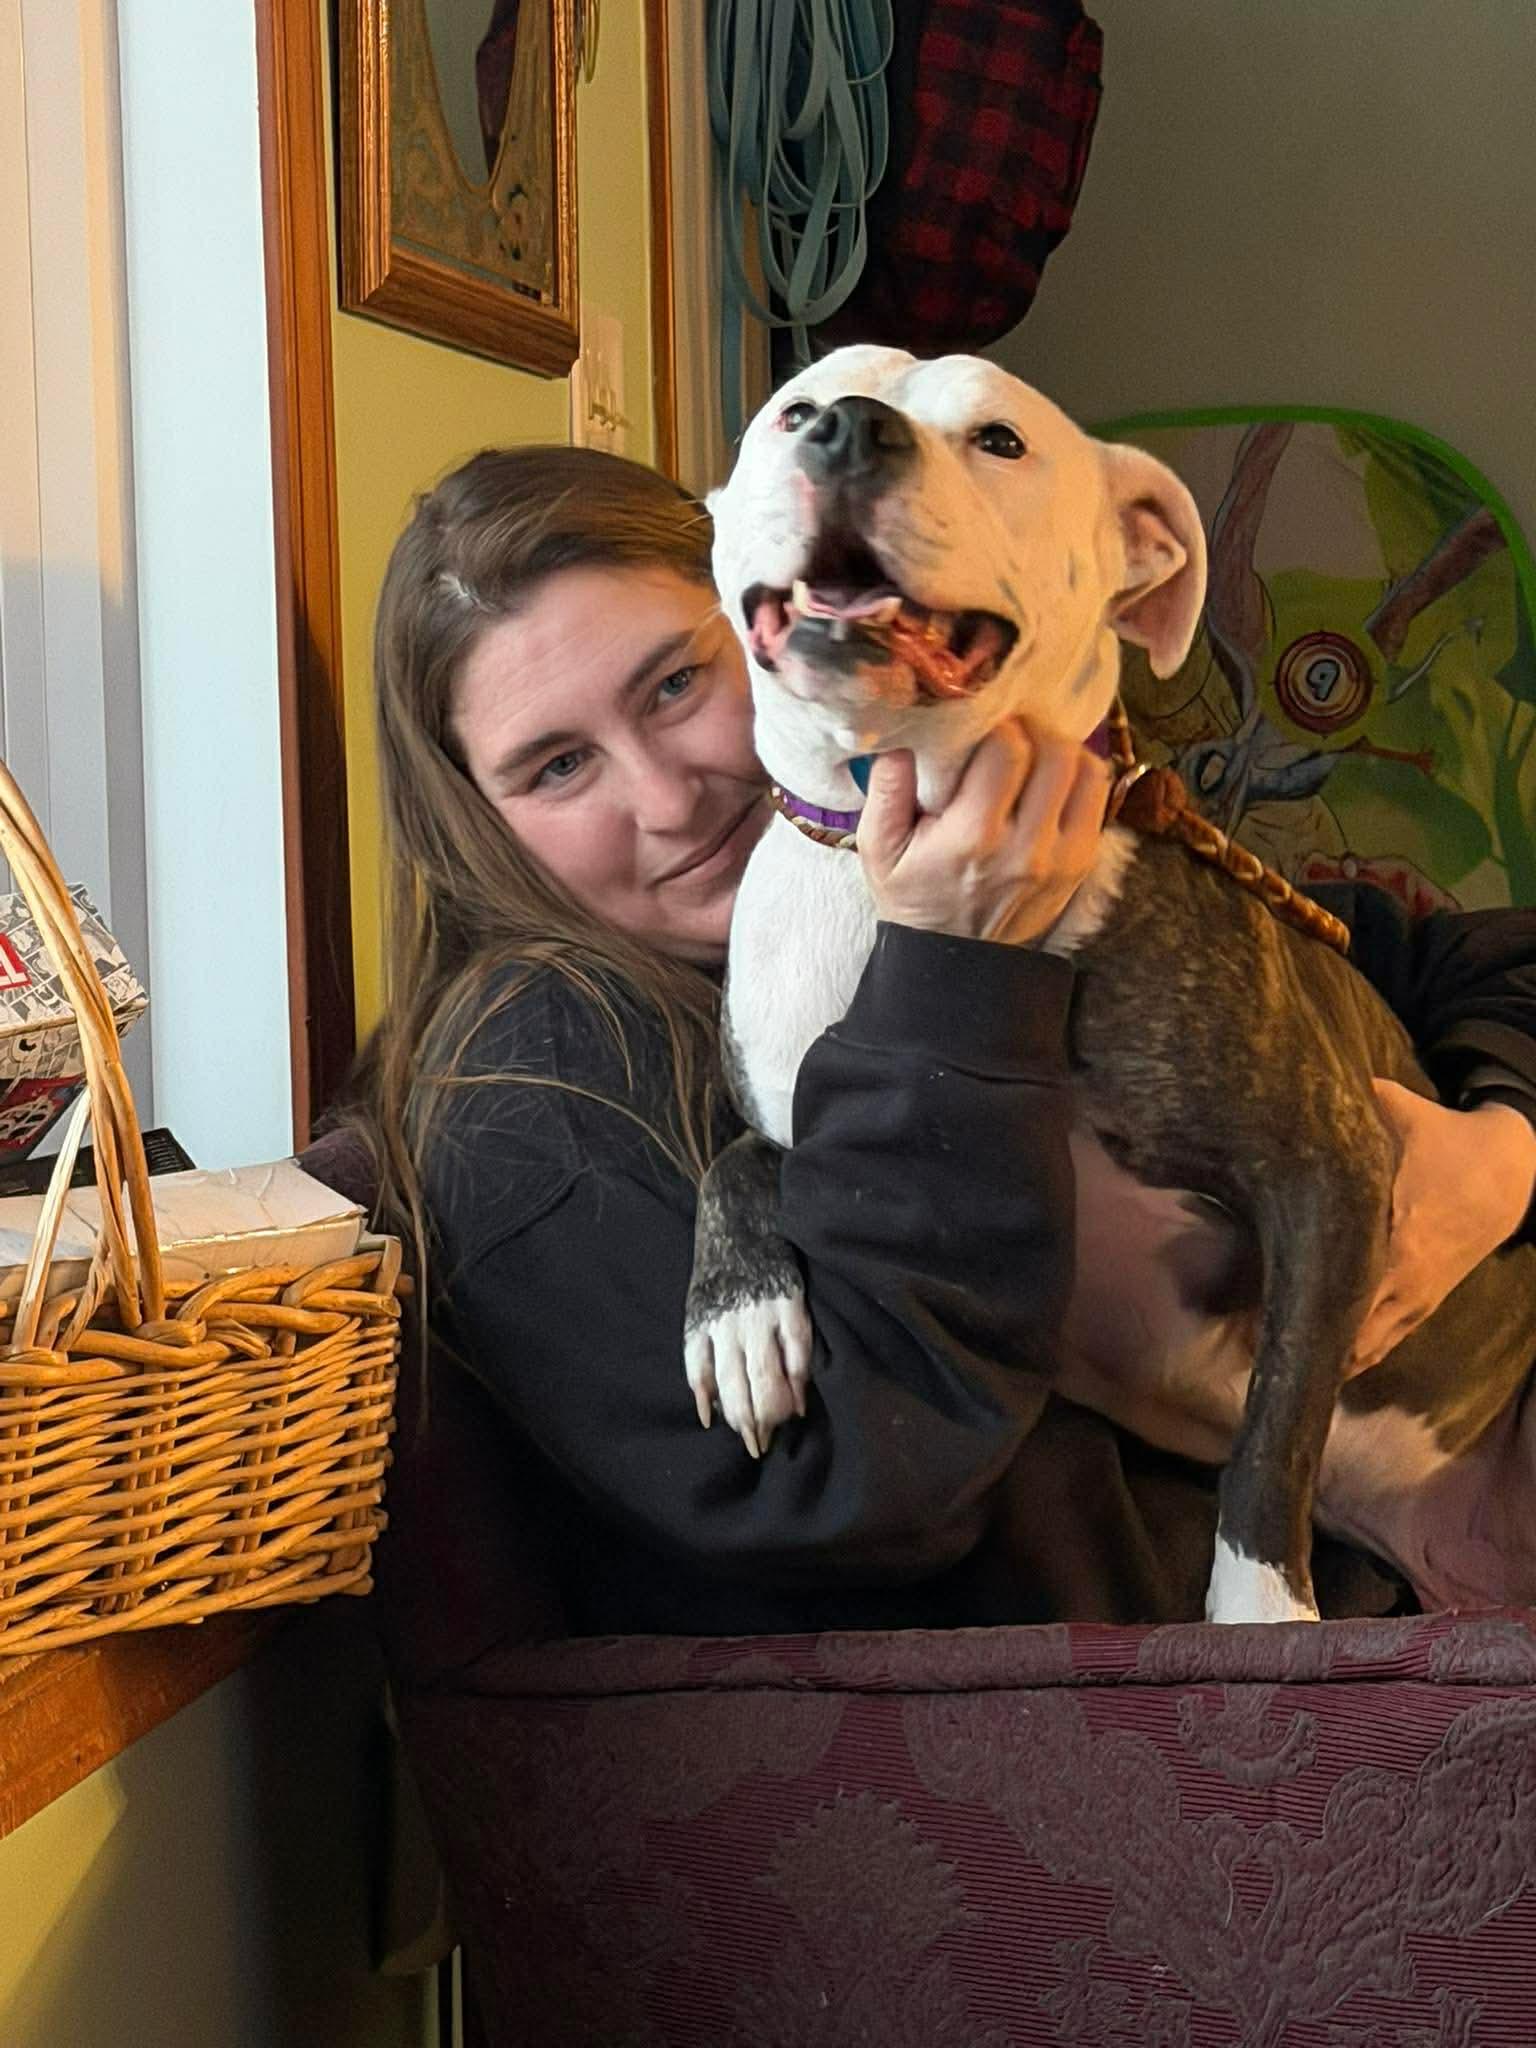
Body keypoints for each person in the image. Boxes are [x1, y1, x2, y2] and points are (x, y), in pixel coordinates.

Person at [353, 443, 1536, 1636]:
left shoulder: (967, 831)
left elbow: (1438, 958)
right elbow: (848, 1491)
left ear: (783, 621)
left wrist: (1504, 1149)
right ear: (477, 821)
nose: (669, 798)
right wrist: (957, 967)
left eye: (675, 684)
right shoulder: (533, 1087)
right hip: (1188, 1673)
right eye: (558, 766)